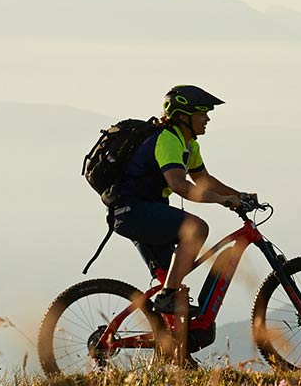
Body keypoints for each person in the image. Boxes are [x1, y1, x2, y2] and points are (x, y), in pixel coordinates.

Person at [107, 85, 255, 321]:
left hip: (147, 211)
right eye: (202, 113)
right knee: (196, 229)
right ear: (183, 117)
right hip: (132, 211)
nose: (207, 119)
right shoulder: (166, 140)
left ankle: (177, 349)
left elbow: (203, 180)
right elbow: (179, 185)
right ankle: (167, 296)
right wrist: (222, 201)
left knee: (177, 289)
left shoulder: (188, 144)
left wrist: (240, 196)